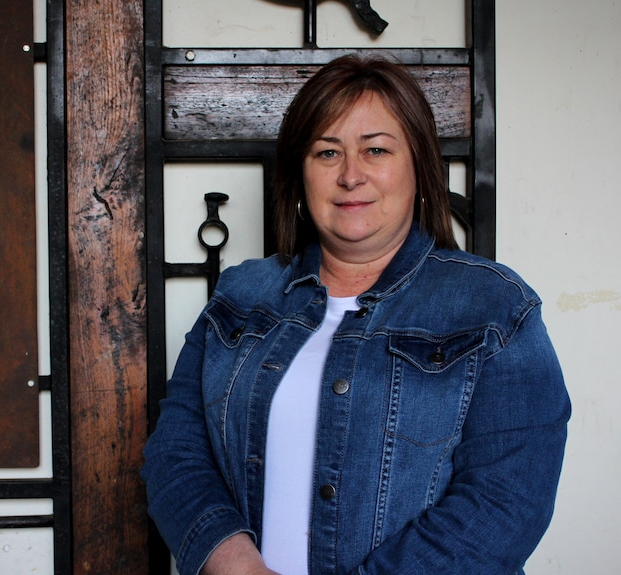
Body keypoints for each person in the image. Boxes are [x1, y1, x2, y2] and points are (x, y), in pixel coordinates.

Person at [141, 55, 570, 575]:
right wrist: (237, 566)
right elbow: (176, 451)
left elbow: (505, 504)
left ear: (420, 167)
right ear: (300, 177)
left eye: (376, 149)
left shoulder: (495, 308)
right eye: (327, 152)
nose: (350, 175)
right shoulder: (242, 293)